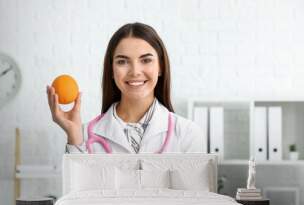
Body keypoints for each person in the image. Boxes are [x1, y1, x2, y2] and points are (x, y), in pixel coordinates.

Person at [47, 22, 205, 154]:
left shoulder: (188, 134)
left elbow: (195, 192)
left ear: (161, 67)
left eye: (146, 60)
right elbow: (77, 190)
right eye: (122, 61)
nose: (135, 72)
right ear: (111, 70)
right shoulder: (83, 136)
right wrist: (74, 137)